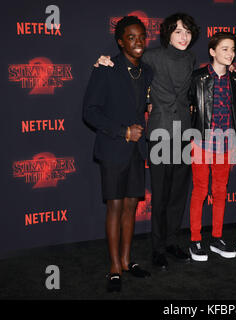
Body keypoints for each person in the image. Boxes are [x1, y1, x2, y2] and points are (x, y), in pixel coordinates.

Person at [96, 13, 200, 270]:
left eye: (187, 32)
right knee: (161, 195)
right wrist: (103, 61)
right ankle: (157, 249)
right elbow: (125, 63)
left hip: (184, 133)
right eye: (177, 32)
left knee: (178, 194)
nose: (183, 37)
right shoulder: (151, 56)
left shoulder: (190, 59)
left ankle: (173, 241)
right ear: (167, 34)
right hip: (159, 133)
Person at [83, 16, 153, 292]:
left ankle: (126, 261)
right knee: (114, 206)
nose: (138, 42)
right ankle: (113, 266)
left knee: (130, 207)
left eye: (142, 36)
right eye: (131, 37)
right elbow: (90, 112)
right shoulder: (106, 69)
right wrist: (123, 131)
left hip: (137, 151)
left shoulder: (146, 70)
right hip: (113, 148)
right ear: (120, 40)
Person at [188, 32, 236, 261]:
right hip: (201, 141)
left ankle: (217, 238)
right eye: (224, 49)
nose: (230, 53)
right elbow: (185, 104)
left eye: (232, 49)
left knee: (220, 192)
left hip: (227, 144)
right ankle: (195, 240)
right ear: (212, 52)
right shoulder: (198, 77)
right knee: (200, 191)